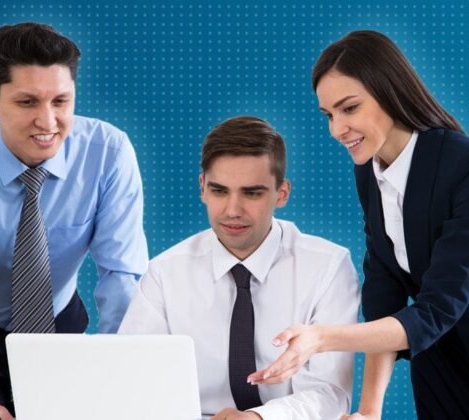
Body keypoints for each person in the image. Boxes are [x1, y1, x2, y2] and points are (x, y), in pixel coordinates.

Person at [248, 30, 469, 419]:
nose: (336, 129)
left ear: (390, 92)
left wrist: (321, 338)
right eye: (329, 115)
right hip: (440, 368)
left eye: (350, 108)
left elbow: (437, 310)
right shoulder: (370, 174)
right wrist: (368, 411)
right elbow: (384, 295)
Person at [0, 23, 148, 420]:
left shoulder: (109, 152)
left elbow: (121, 275)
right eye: (27, 103)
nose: (48, 121)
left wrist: (118, 372)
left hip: (59, 323)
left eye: (61, 101)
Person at [119, 116, 360, 419]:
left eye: (252, 193)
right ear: (202, 188)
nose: (233, 210)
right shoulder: (164, 274)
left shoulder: (327, 267)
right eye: (220, 191)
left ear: (281, 194)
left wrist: (259, 418)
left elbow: (330, 392)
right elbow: (133, 380)